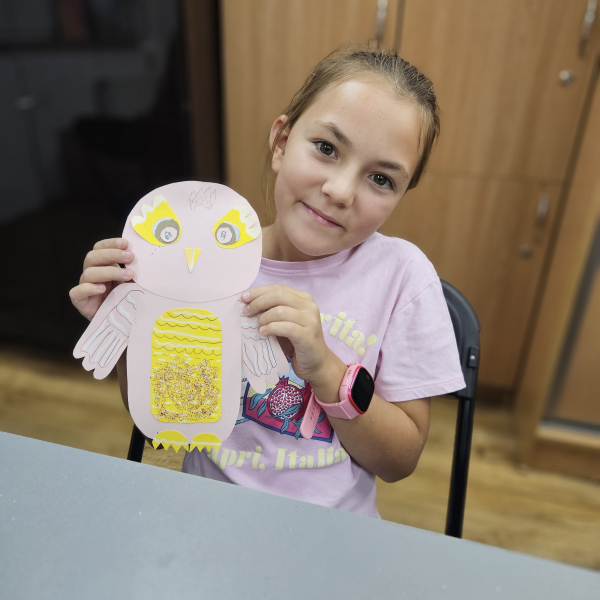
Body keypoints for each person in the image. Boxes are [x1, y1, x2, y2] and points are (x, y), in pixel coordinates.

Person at [70, 43, 465, 518]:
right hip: (206, 514)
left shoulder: (403, 278)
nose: (340, 191)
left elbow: (400, 461)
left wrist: (326, 370)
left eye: (381, 179)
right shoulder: (201, 259)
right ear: (281, 142)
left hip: (332, 532)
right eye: (326, 148)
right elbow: (165, 421)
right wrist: (131, 331)